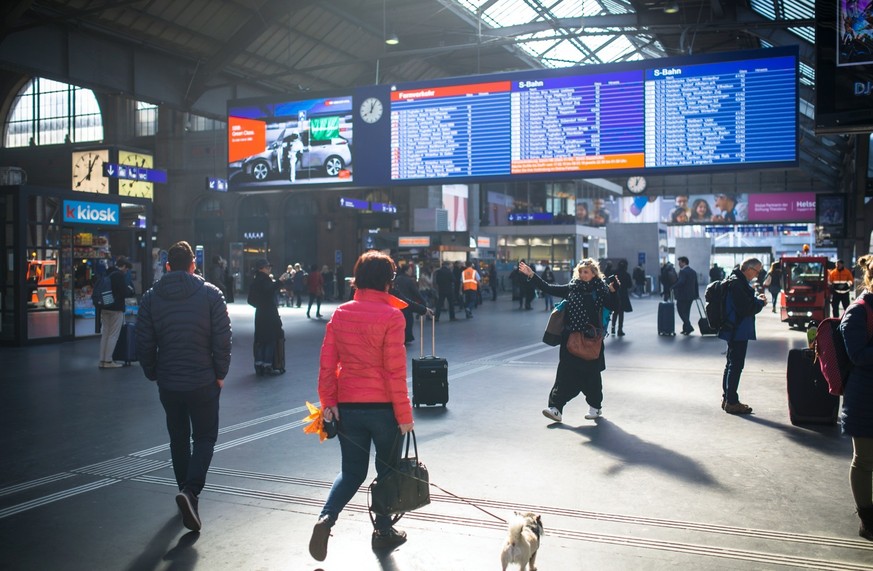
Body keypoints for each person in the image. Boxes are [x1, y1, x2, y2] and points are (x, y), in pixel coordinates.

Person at [308, 251, 414, 561]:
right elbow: (395, 370)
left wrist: (329, 404)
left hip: (349, 407)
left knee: (352, 472)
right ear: (388, 281)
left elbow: (327, 365)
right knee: (387, 471)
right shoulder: (393, 317)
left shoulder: (341, 313)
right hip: (384, 409)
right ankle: (383, 531)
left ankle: (326, 518)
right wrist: (405, 415)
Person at [136, 241, 231, 532]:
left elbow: (144, 340)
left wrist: (153, 371)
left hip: (169, 381)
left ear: (167, 266)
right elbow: (222, 339)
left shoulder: (151, 297)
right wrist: (220, 372)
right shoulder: (211, 294)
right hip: (203, 379)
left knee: (178, 439)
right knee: (204, 437)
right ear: (193, 266)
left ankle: (185, 495)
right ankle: (190, 492)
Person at [518, 258, 618, 423]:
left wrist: (613, 291)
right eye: (580, 271)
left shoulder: (601, 290)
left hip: (591, 340)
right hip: (570, 339)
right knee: (564, 374)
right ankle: (555, 408)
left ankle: (595, 407)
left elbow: (613, 306)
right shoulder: (572, 288)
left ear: (594, 274)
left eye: (586, 272)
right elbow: (548, 288)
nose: (582, 274)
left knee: (592, 376)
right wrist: (532, 275)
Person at [839, 254, 873, 542]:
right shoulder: (859, 311)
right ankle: (867, 519)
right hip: (865, 397)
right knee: (864, 461)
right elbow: (857, 355)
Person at [718, 258, 766, 415]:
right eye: (757, 271)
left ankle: (727, 398)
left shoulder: (734, 280)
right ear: (749, 269)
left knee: (731, 364)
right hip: (737, 330)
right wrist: (760, 303)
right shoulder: (738, 283)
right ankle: (732, 402)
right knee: (736, 365)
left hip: (733, 328)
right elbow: (745, 309)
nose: (757, 275)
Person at [248, 258, 284, 375]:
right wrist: (280, 281)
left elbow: (250, 300)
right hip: (268, 313)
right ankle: (267, 365)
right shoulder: (264, 280)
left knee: (261, 340)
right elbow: (269, 291)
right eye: (268, 267)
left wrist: (259, 304)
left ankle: (259, 364)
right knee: (270, 339)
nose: (269, 269)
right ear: (261, 269)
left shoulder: (255, 281)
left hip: (260, 313)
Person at [97, 256, 135, 369]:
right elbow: (124, 292)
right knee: (113, 335)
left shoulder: (108, 272)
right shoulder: (118, 275)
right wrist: (130, 291)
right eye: (126, 269)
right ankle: (108, 361)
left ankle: (102, 360)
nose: (126, 271)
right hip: (116, 309)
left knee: (105, 334)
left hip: (105, 307)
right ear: (122, 266)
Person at [393, 263, 426, 342]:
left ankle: (402, 337)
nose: (411, 271)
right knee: (408, 321)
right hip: (408, 303)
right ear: (406, 271)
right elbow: (416, 292)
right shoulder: (409, 280)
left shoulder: (397, 279)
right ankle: (407, 337)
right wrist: (423, 302)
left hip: (398, 303)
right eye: (410, 270)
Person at [673, 257, 699, 335]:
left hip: (682, 296)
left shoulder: (683, 272)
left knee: (680, 311)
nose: (679, 264)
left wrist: (673, 287)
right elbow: (696, 284)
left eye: (680, 262)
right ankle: (686, 329)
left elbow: (681, 282)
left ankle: (689, 326)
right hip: (691, 296)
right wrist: (696, 294)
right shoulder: (693, 272)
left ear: (684, 262)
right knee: (687, 312)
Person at [610, 259, 633, 336]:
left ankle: (612, 328)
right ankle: (620, 329)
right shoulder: (626, 275)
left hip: (614, 294)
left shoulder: (614, 274)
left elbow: (609, 283)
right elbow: (630, 285)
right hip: (623, 295)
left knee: (615, 312)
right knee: (621, 313)